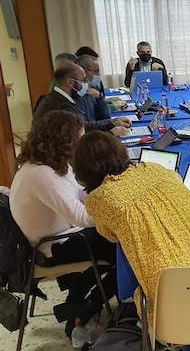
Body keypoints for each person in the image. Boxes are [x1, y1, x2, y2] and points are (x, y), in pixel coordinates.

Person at [73, 131, 190, 332]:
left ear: (82, 170)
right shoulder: (155, 169)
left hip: (175, 299)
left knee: (186, 305)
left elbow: (110, 235)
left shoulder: (100, 198)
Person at [9, 110, 116, 332]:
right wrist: (118, 213)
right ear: (65, 141)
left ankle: (79, 298)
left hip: (63, 235)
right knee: (125, 249)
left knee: (118, 242)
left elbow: (80, 195)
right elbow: (82, 216)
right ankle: (85, 307)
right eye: (80, 137)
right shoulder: (41, 175)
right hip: (54, 247)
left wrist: (108, 199)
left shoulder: (52, 165)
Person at [35, 63, 131, 134]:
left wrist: (112, 122)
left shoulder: (61, 97)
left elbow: (82, 125)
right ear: (70, 82)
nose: (87, 84)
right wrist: (112, 133)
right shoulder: (60, 106)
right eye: (83, 80)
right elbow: (81, 135)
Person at [75, 55, 111, 120]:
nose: (99, 74)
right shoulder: (81, 93)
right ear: (83, 71)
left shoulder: (92, 89)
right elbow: (89, 125)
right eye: (96, 71)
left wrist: (100, 97)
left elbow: (106, 116)